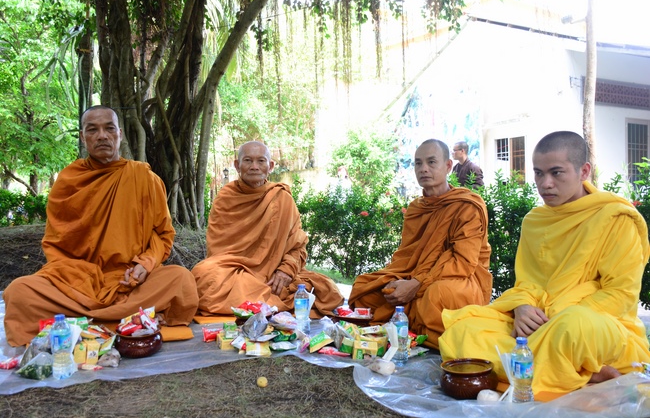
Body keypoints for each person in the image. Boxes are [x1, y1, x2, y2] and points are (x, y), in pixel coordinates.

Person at [439, 131, 650, 396]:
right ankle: (580, 375)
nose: (545, 183)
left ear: (584, 171)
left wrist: (554, 316)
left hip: (593, 328)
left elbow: (620, 295)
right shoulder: (535, 221)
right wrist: (522, 307)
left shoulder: (616, 218)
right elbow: (527, 282)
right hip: (538, 322)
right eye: (539, 173)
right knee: (463, 330)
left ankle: (536, 372)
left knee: (571, 327)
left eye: (556, 173)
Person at [3, 106, 199, 347]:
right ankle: (130, 321)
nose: (102, 136)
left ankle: (81, 325)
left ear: (120, 134)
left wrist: (145, 265)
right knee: (19, 291)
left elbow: (163, 234)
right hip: (77, 281)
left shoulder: (145, 178)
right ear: (83, 137)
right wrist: (79, 275)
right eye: (92, 130)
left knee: (181, 279)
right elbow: (56, 244)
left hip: (130, 281)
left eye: (109, 128)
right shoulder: (68, 181)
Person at [348, 139, 492, 349]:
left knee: (434, 296)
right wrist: (397, 280)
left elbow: (463, 263)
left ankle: (417, 328)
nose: (423, 169)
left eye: (431, 162)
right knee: (365, 289)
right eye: (418, 163)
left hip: (461, 279)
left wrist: (416, 285)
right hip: (417, 275)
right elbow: (406, 258)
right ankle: (411, 325)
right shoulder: (416, 208)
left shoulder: (467, 206)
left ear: (448, 166)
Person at [192, 141, 344, 316]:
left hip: (273, 273)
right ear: (237, 165)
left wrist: (285, 271)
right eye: (248, 160)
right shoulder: (225, 197)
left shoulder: (282, 198)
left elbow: (297, 245)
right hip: (232, 270)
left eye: (261, 161)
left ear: (270, 166)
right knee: (202, 274)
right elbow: (219, 251)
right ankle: (265, 301)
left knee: (326, 288)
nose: (254, 167)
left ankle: (254, 300)